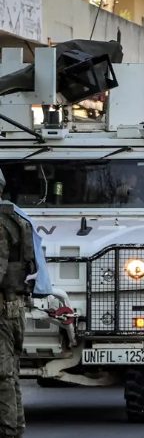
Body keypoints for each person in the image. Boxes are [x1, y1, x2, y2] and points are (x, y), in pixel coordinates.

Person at [0, 170, 38, 438]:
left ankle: (9, 431)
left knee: (2, 376)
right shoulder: (15, 217)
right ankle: (15, 427)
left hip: (3, 306)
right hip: (14, 307)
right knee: (8, 373)